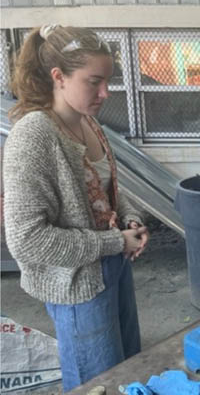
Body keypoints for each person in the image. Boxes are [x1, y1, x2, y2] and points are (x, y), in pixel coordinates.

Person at [3, 25, 149, 392]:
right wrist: (115, 242)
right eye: (94, 81)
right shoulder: (34, 136)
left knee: (127, 370)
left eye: (108, 81)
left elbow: (107, 187)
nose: (105, 93)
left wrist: (130, 217)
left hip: (114, 270)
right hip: (77, 287)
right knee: (96, 383)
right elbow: (28, 239)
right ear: (58, 77)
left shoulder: (88, 122)